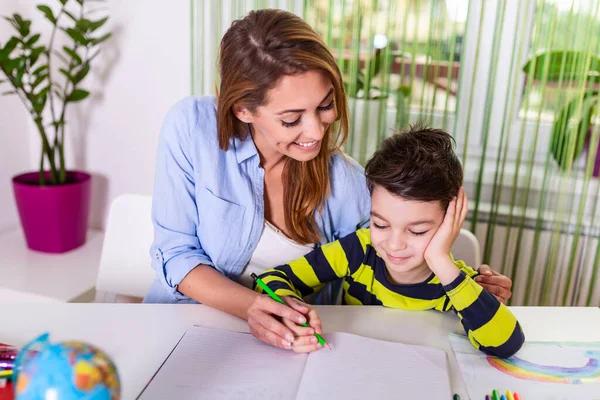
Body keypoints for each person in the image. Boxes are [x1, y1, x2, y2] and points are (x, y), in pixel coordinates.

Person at [143, 9, 513, 352]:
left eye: (325, 105)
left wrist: (464, 285)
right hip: (182, 326)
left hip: (292, 344)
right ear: (243, 109)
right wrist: (253, 307)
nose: (316, 132)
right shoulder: (192, 127)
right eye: (291, 119)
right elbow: (176, 254)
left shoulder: (346, 183)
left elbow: (392, 257)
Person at [255, 125, 525, 357]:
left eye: (417, 231)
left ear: (450, 223)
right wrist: (291, 309)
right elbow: (273, 279)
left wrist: (442, 261)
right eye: (381, 224)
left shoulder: (454, 283)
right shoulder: (358, 250)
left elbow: (506, 344)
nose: (394, 245)